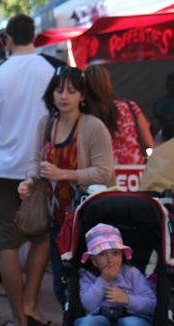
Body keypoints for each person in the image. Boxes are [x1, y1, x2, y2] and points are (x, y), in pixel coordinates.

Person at [0, 14, 63, 326]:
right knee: (41, 237)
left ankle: (18, 317)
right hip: (41, 166)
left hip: (1, 166)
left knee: (7, 244)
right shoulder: (52, 69)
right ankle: (31, 304)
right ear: (35, 36)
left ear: (8, 39)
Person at [19, 66, 116, 310]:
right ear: (52, 93)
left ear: (82, 96)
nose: (64, 96)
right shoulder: (46, 124)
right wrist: (30, 180)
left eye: (71, 91)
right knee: (62, 285)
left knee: (88, 283)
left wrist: (65, 174)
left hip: (88, 219)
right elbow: (35, 161)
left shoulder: (93, 127)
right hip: (57, 220)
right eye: (59, 90)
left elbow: (105, 173)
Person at [75, 223, 155, 326]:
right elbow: (87, 306)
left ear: (122, 254)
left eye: (115, 253)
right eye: (102, 254)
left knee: (132, 323)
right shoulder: (87, 276)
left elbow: (151, 304)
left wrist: (127, 299)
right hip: (100, 318)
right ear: (94, 260)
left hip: (131, 316)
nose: (110, 260)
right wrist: (103, 280)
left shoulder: (131, 273)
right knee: (87, 322)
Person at [84, 66, 154, 164]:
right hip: (133, 172)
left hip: (101, 172)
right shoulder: (130, 107)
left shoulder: (84, 113)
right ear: (107, 83)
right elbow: (148, 143)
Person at [153, 72, 174, 143]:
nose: (171, 87)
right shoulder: (161, 101)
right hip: (165, 135)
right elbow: (157, 113)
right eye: (170, 84)